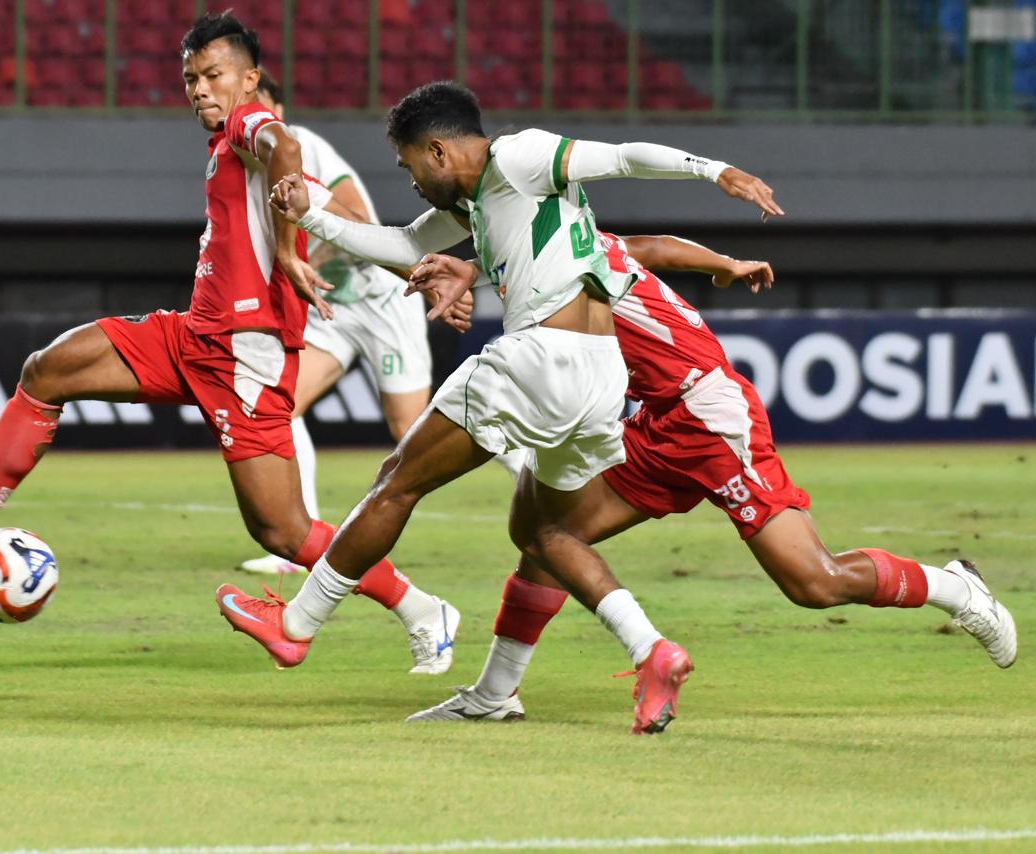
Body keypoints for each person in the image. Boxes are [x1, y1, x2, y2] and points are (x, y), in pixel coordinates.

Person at [0, 12, 460, 676]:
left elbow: (285, 151)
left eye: (213, 75)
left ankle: (423, 610)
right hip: (195, 337)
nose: (201, 90)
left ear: (249, 79)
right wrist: (391, 262)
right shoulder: (228, 145)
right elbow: (327, 208)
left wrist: (289, 252)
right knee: (50, 368)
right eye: (190, 79)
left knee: (284, 532)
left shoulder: (252, 126)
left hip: (247, 357)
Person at [216, 80, 784, 734]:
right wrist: (314, 215)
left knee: (397, 482)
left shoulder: (519, 158)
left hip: (540, 359)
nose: (410, 182)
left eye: (408, 167)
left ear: (436, 150)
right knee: (546, 535)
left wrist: (717, 172)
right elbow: (404, 246)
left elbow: (624, 156)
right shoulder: (478, 200)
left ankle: (295, 625)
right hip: (598, 380)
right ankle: (646, 651)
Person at [404, 232, 1018, 724]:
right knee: (546, 533)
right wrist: (724, 264)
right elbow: (655, 247)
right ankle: (494, 694)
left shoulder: (561, 262)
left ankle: (956, 589)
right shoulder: (576, 245)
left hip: (712, 420)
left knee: (814, 582)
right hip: (655, 423)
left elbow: (634, 256)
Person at [238, 71, 440, 579]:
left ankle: (524, 465)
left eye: (257, 101)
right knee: (278, 404)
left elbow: (361, 214)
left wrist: (408, 270)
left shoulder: (300, 145)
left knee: (413, 433)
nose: (250, 113)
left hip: (382, 297)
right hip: (335, 306)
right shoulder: (245, 169)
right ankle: (299, 542)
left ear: (276, 109)